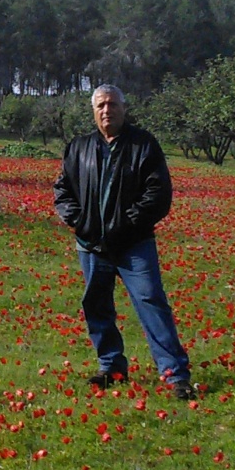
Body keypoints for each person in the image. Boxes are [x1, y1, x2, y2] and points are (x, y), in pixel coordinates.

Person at [53, 84, 195, 400]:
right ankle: (111, 367)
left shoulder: (143, 145)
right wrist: (78, 221)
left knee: (151, 303)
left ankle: (175, 375)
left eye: (113, 105)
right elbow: (63, 190)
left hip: (134, 244)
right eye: (101, 105)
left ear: (123, 108)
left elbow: (157, 194)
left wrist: (127, 223)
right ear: (94, 111)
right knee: (97, 306)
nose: (107, 111)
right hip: (91, 245)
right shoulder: (79, 147)